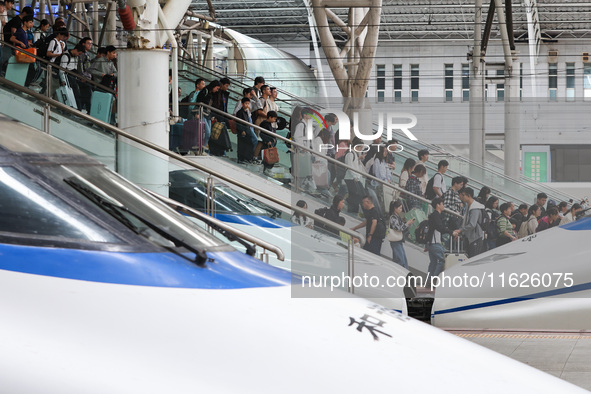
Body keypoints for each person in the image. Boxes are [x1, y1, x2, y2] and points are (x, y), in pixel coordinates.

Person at [453, 187, 485, 258]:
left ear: (469, 195)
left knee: (473, 260)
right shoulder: (469, 206)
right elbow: (465, 222)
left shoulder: (475, 208)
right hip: (470, 238)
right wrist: (460, 233)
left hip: (475, 238)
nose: (462, 197)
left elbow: (472, 224)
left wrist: (460, 230)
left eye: (463, 195)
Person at [426, 197, 453, 279]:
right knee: (441, 261)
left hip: (431, 242)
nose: (443, 206)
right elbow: (439, 227)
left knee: (433, 262)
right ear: (438, 205)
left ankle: (429, 280)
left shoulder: (433, 215)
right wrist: (451, 232)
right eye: (442, 204)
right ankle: (434, 279)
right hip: (435, 243)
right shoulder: (436, 215)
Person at [388, 200, 414, 269]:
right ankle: (401, 274)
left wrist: (408, 224)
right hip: (395, 241)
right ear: (395, 208)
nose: (401, 210)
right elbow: (399, 228)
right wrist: (407, 224)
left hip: (398, 240)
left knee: (400, 259)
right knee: (401, 260)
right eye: (399, 208)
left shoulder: (397, 217)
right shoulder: (393, 217)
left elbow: (402, 227)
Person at [235, 97, 256, 163]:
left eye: (248, 104)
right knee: (242, 145)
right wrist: (242, 130)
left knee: (247, 145)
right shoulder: (240, 112)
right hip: (242, 131)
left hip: (247, 130)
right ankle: (241, 158)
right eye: (246, 103)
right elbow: (239, 122)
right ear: (242, 104)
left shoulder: (246, 112)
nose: (247, 105)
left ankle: (247, 158)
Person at [259, 111, 278, 177]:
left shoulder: (269, 124)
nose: (274, 120)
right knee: (267, 157)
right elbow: (262, 134)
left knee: (270, 157)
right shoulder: (265, 124)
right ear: (270, 117)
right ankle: (266, 169)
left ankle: (267, 169)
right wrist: (267, 141)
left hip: (270, 144)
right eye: (274, 119)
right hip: (267, 144)